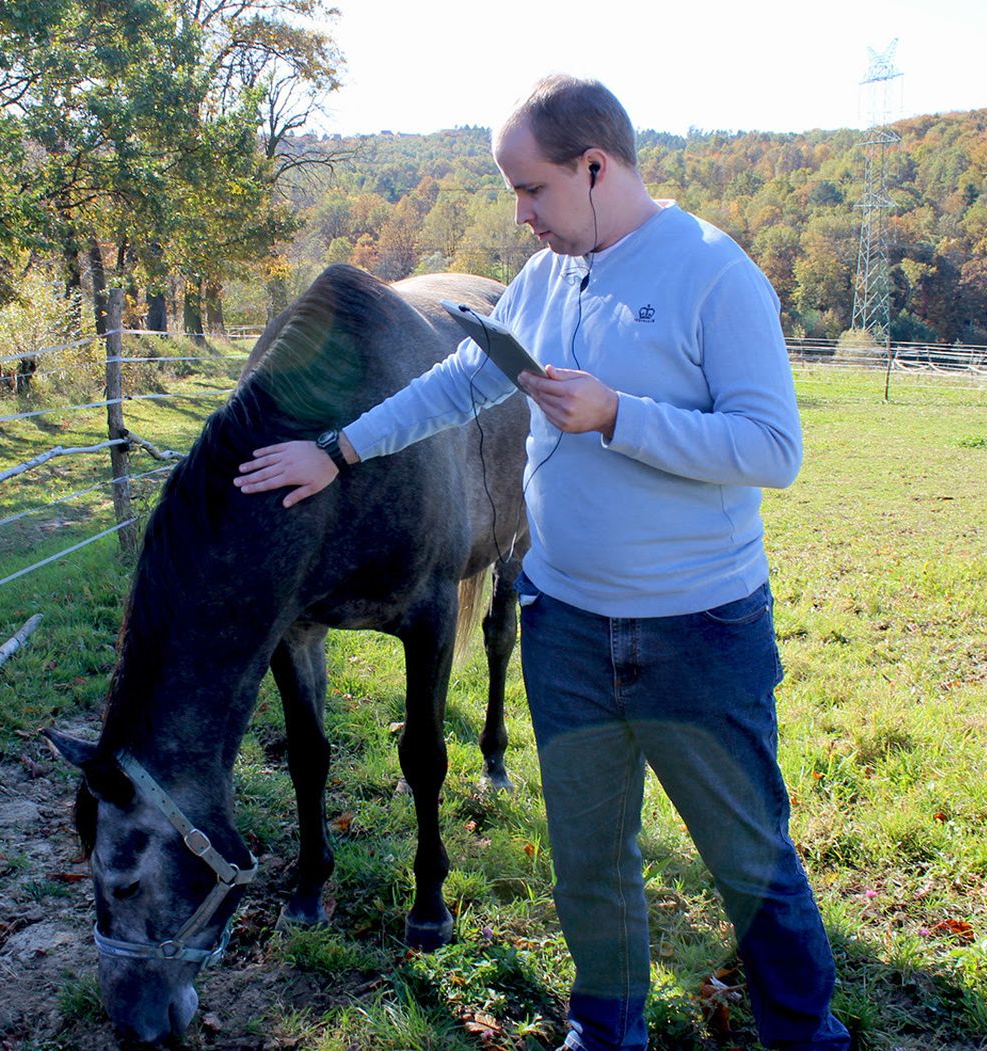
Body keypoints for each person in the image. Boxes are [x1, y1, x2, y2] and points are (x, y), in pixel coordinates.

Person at [233, 74, 850, 1051]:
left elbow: (773, 450)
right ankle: (604, 1030)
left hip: (695, 632)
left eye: (532, 191)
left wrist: (619, 417)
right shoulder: (546, 281)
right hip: (563, 628)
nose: (519, 217)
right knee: (589, 861)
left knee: (746, 858)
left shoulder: (712, 274)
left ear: (595, 166)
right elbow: (455, 387)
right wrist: (339, 448)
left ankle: (801, 1033)